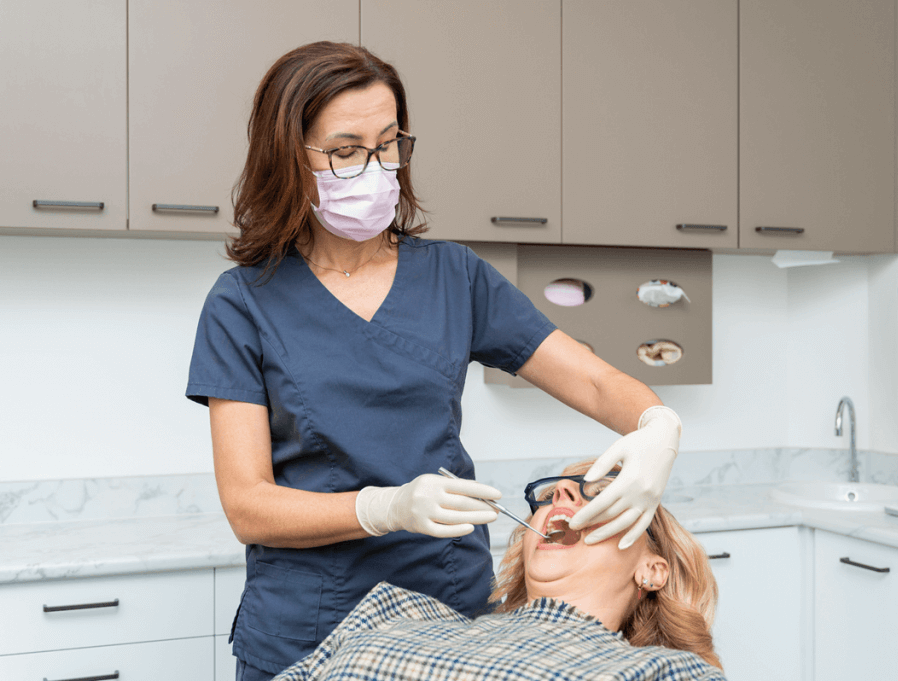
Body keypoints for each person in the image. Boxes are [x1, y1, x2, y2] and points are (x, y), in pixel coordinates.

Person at [186, 41, 685, 680]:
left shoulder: (454, 277)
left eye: (388, 143)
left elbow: (587, 375)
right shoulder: (242, 303)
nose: (372, 167)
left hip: (449, 624)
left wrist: (656, 425)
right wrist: (382, 508)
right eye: (344, 151)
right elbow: (248, 505)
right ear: (290, 158)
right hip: (305, 632)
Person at [269, 460, 723, 680]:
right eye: (549, 496)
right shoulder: (399, 611)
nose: (561, 491)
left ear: (652, 570)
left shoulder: (662, 671)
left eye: (602, 496)